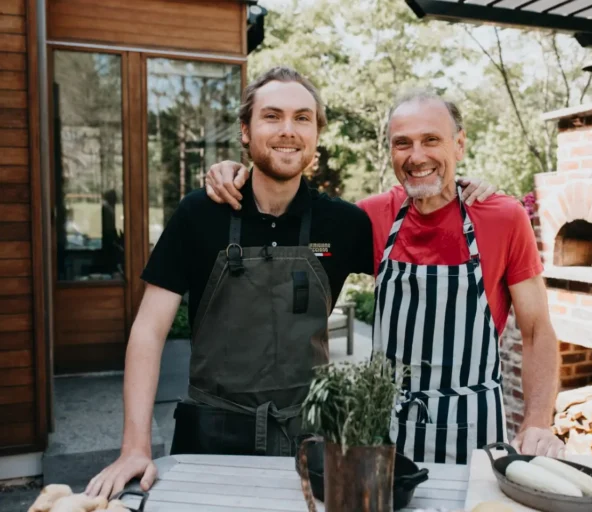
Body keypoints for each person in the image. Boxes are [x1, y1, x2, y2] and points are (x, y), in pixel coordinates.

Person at [85, 67, 495, 500]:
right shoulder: (199, 215)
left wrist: (457, 186)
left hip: (312, 442)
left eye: (302, 118)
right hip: (209, 432)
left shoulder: (346, 223)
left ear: (316, 134)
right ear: (245, 131)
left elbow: (423, 234)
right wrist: (135, 447)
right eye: (272, 116)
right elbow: (149, 331)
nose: (288, 130)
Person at [204, 90, 564, 464]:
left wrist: (537, 421)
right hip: (384, 433)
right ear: (390, 150)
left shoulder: (503, 217)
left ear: (459, 145)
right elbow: (284, 209)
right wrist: (236, 172)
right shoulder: (370, 218)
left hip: (473, 432)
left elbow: (537, 328)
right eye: (402, 143)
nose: (417, 156)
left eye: (431, 140)